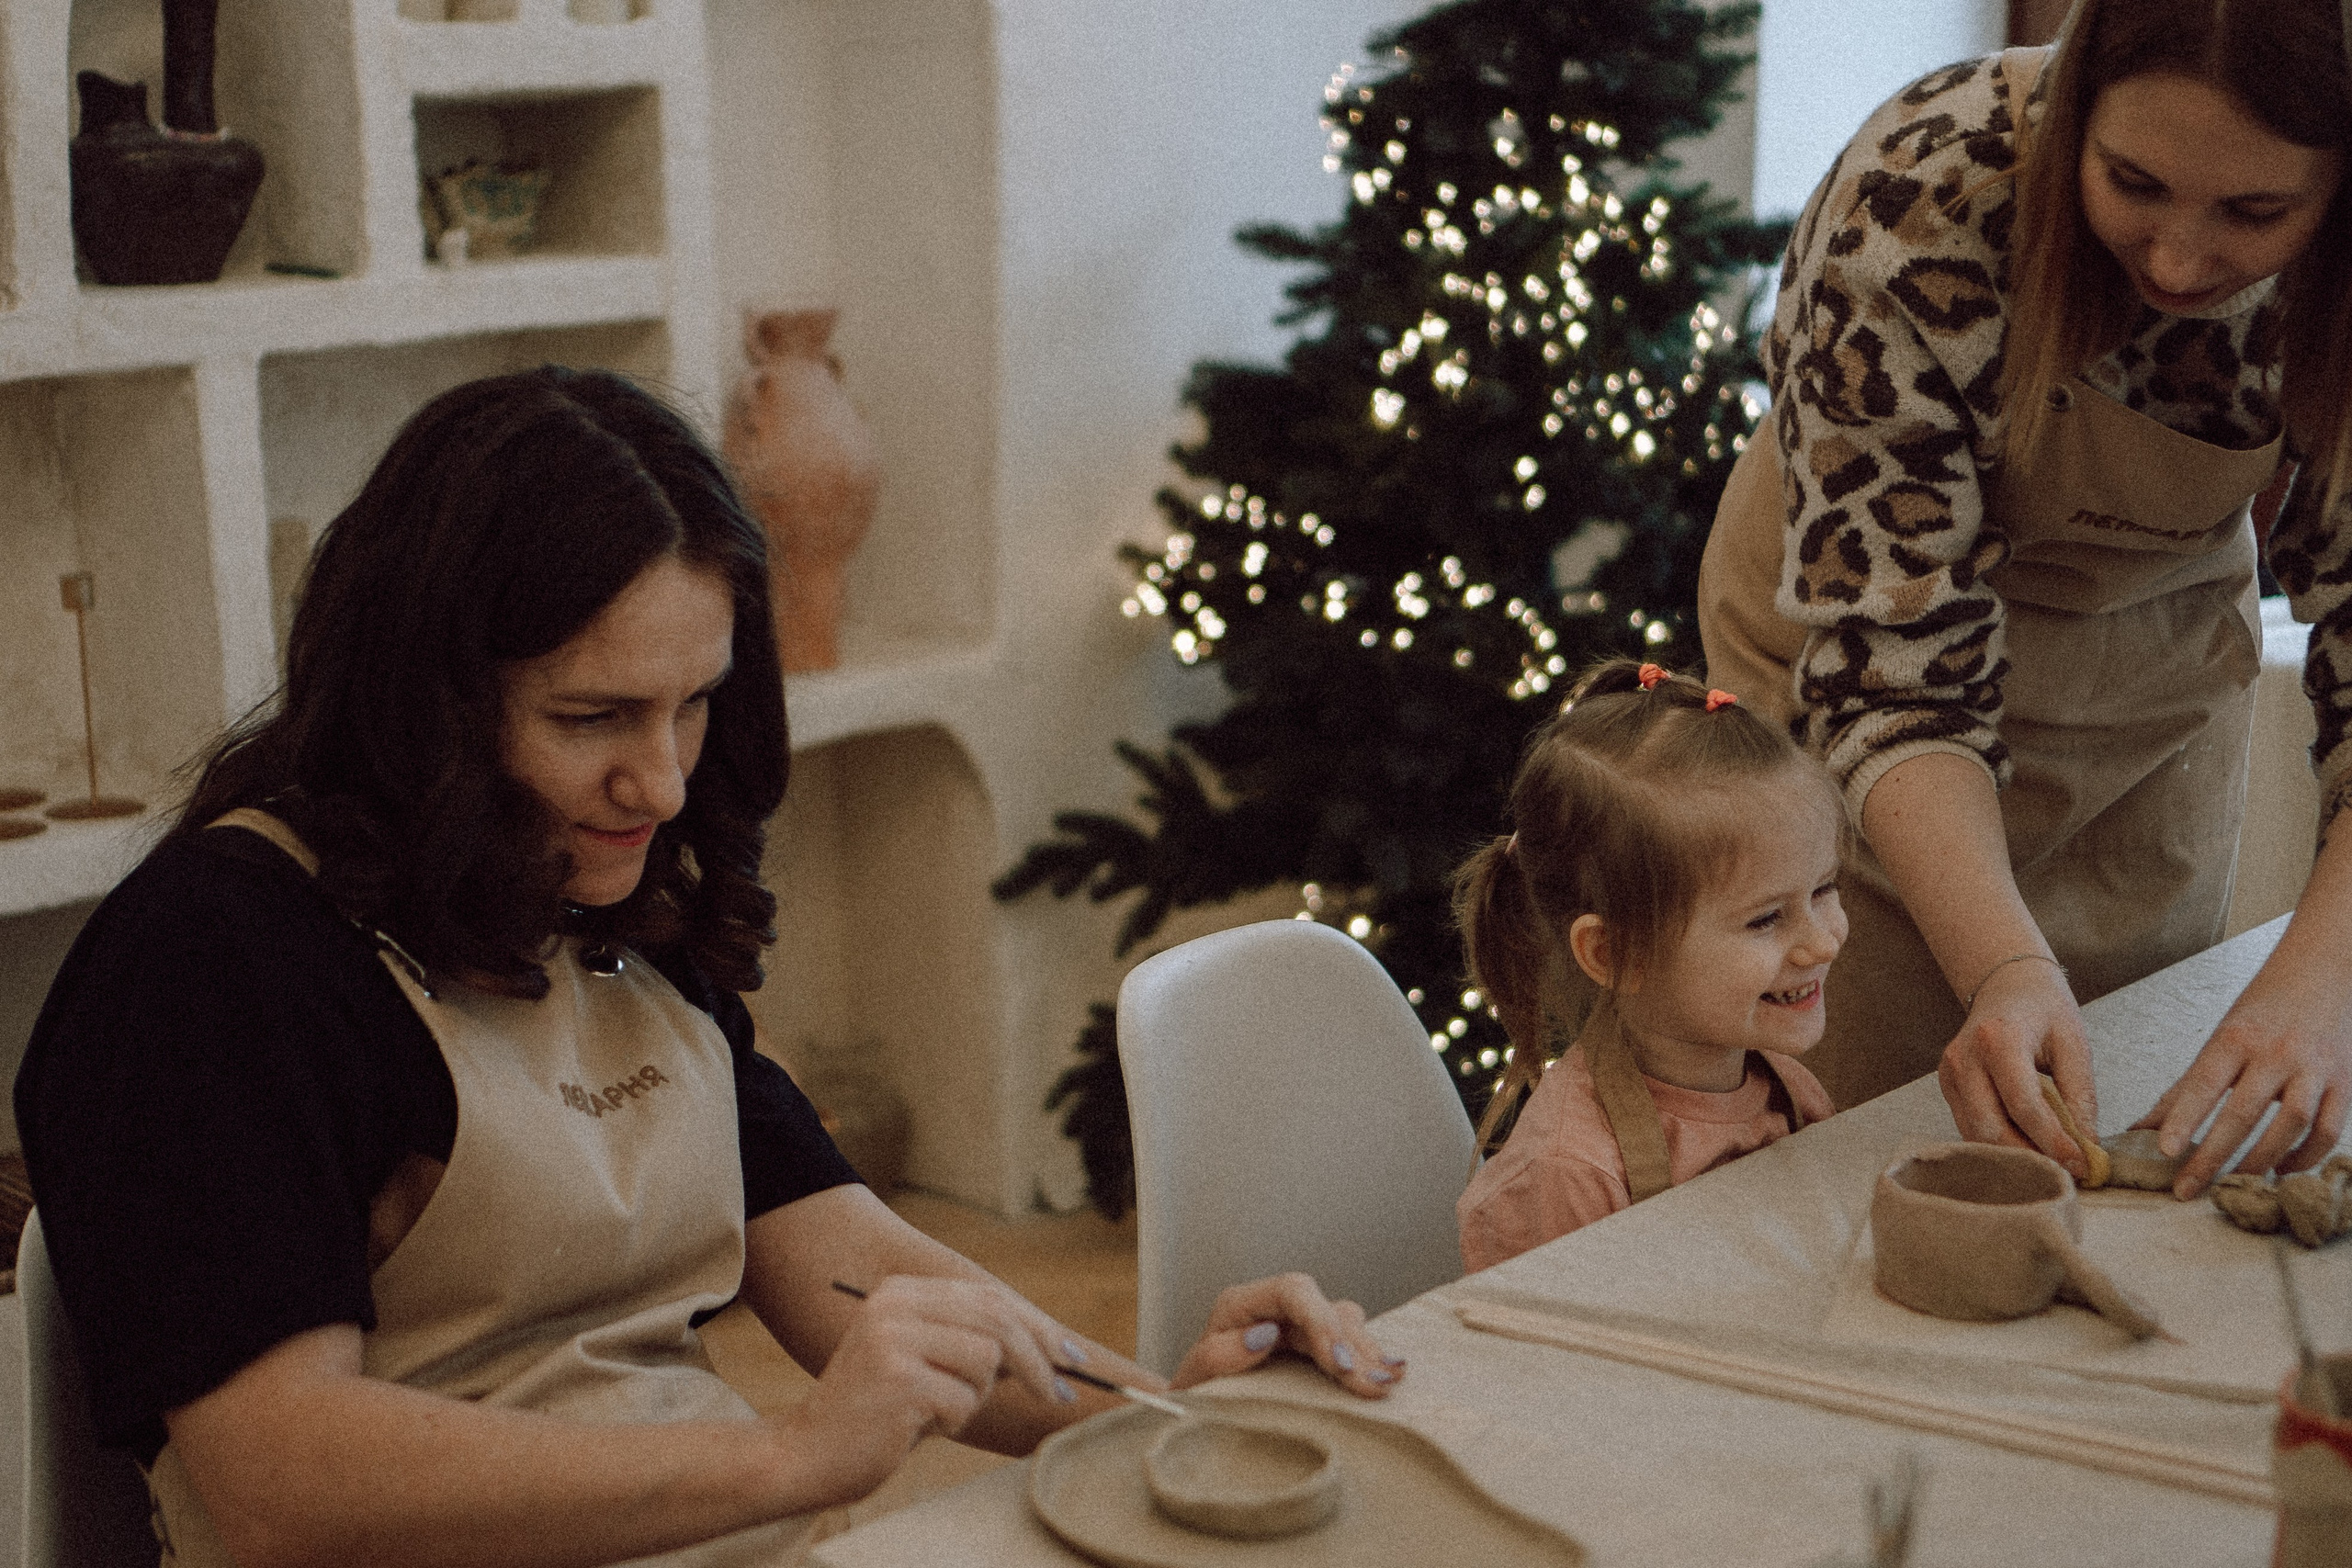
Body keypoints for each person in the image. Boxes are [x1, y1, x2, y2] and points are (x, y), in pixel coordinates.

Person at [15, 367, 1402, 1568]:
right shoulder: (214, 958)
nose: (664, 780)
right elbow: (282, 1481)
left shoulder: (592, 895)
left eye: (694, 704)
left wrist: (1168, 1405)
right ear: (422, 697)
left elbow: (854, 1266)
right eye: (593, 714)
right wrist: (791, 1458)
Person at [1696, 0, 2352, 1201]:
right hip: (1868, 684)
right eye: (2134, 181)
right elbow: (1893, 672)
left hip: (2147, 689)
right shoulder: (1921, 190)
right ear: (2079, 108)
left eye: (2257, 212)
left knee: (2120, 1144)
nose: (2177, 261)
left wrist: (2319, 987)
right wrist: (2002, 962)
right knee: (1844, 1170)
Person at [1453, 660, 1843, 1271]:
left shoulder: (1789, 1090)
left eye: (1824, 889)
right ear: (1613, 953)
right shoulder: (1568, 1177)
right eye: (1765, 919)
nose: (1821, 943)